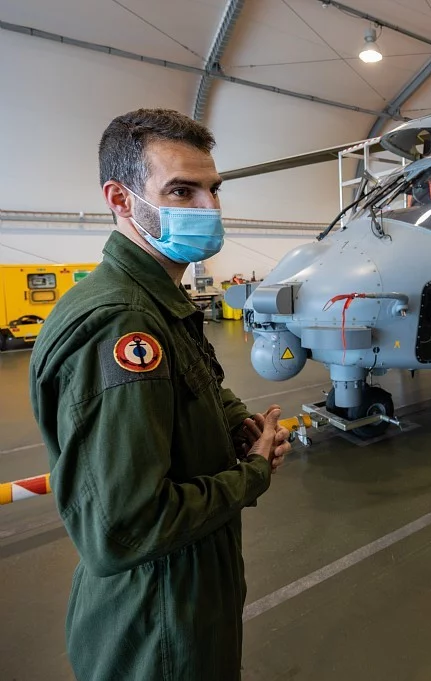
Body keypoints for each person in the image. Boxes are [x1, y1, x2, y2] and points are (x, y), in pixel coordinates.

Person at [28, 108, 291, 681]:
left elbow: (194, 389)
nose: (209, 208)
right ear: (121, 201)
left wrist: (234, 422)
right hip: (160, 627)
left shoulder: (158, 304)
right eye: (181, 190)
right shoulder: (123, 323)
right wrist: (253, 473)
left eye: (212, 190)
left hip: (185, 600)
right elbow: (124, 529)